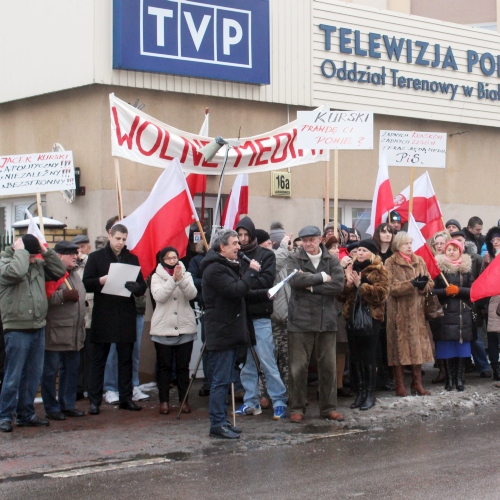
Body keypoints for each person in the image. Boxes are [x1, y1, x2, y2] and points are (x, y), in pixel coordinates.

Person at [0, 235, 66, 433]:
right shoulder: (6, 264)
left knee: (32, 375)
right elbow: (17, 273)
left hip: (38, 326)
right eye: (31, 256)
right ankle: (4, 416)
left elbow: (59, 271)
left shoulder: (36, 263)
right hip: (17, 327)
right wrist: (20, 252)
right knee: (13, 376)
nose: (33, 259)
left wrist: (46, 252)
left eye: (34, 256)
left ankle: (25, 414)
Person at [201, 229, 260, 439]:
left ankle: (222, 421)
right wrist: (252, 273)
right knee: (220, 381)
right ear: (221, 247)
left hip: (230, 332)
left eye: (238, 243)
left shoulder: (227, 266)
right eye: (234, 243)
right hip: (222, 332)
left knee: (226, 380)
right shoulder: (215, 270)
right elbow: (235, 291)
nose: (239, 247)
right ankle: (217, 423)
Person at [83, 223, 147, 415]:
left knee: (125, 359)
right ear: (110, 235)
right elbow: (87, 283)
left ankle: (126, 398)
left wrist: (137, 288)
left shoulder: (132, 258)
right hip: (104, 313)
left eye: (124, 239)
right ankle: (95, 400)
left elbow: (142, 286)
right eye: (118, 238)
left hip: (125, 313)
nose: (120, 243)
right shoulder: (96, 258)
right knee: (99, 359)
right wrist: (100, 281)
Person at [286, 225, 345, 423]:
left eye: (311, 239)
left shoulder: (332, 260)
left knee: (328, 367)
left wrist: (310, 287)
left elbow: (338, 285)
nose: (308, 243)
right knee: (298, 368)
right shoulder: (294, 258)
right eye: (305, 240)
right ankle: (297, 408)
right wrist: (320, 278)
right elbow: (294, 281)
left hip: (326, 320)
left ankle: (329, 408)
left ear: (320, 239)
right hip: (300, 321)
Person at [234, 217, 287, 420]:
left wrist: (244, 284)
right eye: (239, 235)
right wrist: (247, 285)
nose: (243, 238)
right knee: (246, 363)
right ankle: (251, 401)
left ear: (252, 234)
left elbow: (266, 281)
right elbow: (234, 286)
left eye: (246, 234)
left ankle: (279, 400)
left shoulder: (266, 255)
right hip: (241, 316)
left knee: (267, 360)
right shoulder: (235, 256)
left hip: (260, 316)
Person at [339, 239, 389, 410]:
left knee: (368, 357)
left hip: (371, 320)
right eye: (358, 250)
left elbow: (381, 294)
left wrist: (361, 286)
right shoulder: (351, 269)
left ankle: (370, 394)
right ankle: (360, 393)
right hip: (352, 319)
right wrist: (347, 284)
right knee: (356, 358)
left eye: (364, 250)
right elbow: (341, 297)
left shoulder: (379, 271)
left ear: (372, 254)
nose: (359, 253)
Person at [41, 241, 87, 420]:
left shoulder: (74, 274)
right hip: (56, 333)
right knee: (50, 373)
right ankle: (51, 408)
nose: (76, 256)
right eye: (71, 254)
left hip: (74, 333)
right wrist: (64, 296)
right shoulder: (51, 273)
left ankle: (67, 405)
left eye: (76, 253)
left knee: (71, 371)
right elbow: (45, 299)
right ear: (59, 256)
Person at [385, 231, 434, 397]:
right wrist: (411, 284)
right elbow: (390, 288)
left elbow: (430, 282)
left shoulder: (419, 260)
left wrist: (422, 285)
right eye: (405, 243)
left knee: (417, 349)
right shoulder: (390, 262)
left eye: (410, 243)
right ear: (397, 245)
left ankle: (417, 384)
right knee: (399, 351)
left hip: (417, 313)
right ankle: (400, 385)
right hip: (399, 314)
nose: (409, 246)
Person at [150, 247, 197, 415]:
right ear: (162, 259)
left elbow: (192, 294)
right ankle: (164, 401)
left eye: (174, 257)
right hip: (163, 328)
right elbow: (159, 296)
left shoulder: (187, 274)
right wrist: (173, 280)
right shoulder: (156, 277)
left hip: (184, 327)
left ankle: (184, 400)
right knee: (164, 367)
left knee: (183, 368)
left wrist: (181, 279)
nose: (172, 261)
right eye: (169, 258)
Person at [432, 240, 474, 391]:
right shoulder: (439, 270)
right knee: (447, 348)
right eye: (448, 249)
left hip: (463, 315)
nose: (451, 252)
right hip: (446, 314)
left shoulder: (467, 270)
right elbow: (432, 292)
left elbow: (473, 291)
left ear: (460, 251)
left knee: (461, 350)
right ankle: (449, 379)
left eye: (454, 249)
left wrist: (459, 290)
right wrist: (445, 292)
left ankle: (459, 379)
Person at [450, 230, 491, 379]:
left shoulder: (475, 258)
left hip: (471, 304)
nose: (458, 243)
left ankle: (483, 367)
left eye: (460, 240)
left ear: (465, 241)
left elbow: (482, 280)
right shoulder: (447, 259)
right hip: (452, 306)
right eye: (454, 240)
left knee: (475, 337)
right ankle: (458, 370)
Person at [188, 234, 212, 397]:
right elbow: (191, 279)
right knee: (208, 347)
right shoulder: (197, 260)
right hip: (207, 308)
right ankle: (208, 382)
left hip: (226, 309)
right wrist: (207, 282)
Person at [72, 234, 94, 401]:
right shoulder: (71, 266)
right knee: (76, 356)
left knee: (91, 354)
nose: (80, 251)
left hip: (91, 314)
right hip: (76, 316)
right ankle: (78, 388)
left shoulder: (91, 263)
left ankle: (91, 387)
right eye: (77, 248)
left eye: (83, 247)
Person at [484, 226, 500, 381]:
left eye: (498, 239)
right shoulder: (489, 257)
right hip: (493, 301)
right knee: (493, 337)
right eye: (493, 240)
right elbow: (483, 280)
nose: (495, 242)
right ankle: (496, 368)